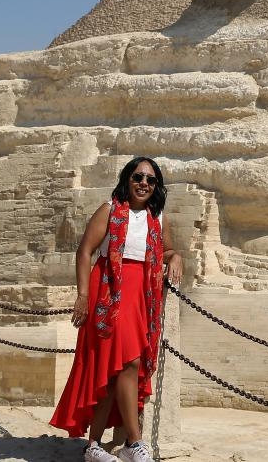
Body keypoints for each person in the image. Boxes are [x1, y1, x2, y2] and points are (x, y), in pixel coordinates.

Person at [50, 157, 184, 462]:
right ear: (127, 179)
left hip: (140, 296)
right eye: (138, 177)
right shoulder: (109, 210)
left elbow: (168, 250)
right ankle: (135, 443)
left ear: (156, 187)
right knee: (129, 362)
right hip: (109, 291)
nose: (144, 184)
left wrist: (176, 259)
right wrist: (82, 295)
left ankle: (93, 446)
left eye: (151, 180)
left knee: (113, 370)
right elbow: (85, 251)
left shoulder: (156, 218)